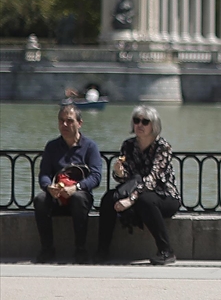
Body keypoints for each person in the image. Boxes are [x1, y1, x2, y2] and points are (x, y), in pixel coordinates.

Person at [98, 106, 181, 265]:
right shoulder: (128, 145)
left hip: (164, 195)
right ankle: (102, 250)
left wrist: (131, 199)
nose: (139, 125)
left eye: (145, 122)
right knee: (108, 199)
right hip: (137, 192)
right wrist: (119, 173)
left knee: (145, 200)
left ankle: (166, 251)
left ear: (154, 125)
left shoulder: (163, 147)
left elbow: (152, 179)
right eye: (136, 121)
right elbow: (128, 179)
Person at [33, 104, 103, 263]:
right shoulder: (52, 146)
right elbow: (44, 174)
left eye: (69, 121)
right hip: (57, 195)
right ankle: (47, 249)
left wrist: (76, 188)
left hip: (80, 196)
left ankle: (80, 249)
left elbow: (96, 177)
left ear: (80, 123)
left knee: (79, 199)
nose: (64, 125)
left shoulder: (90, 146)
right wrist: (48, 187)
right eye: (61, 121)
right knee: (40, 200)